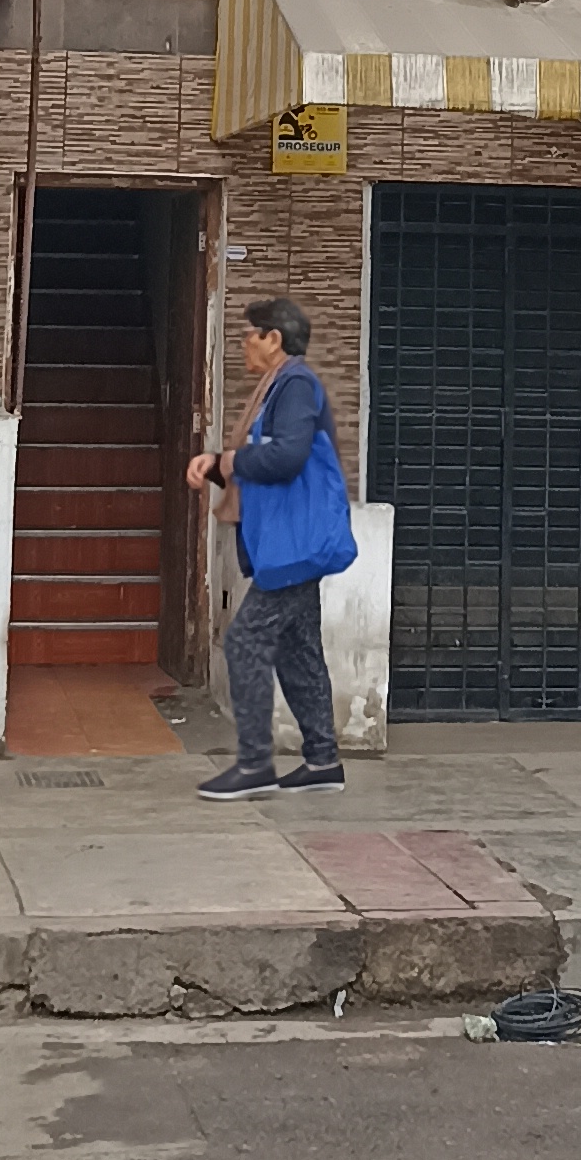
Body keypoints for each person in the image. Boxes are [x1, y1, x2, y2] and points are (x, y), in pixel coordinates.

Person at [186, 292, 358, 802]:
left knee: (245, 641)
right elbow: (265, 459)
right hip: (287, 543)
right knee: (297, 648)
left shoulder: (295, 384)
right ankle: (322, 761)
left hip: (295, 546)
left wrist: (229, 461)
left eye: (249, 336)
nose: (243, 344)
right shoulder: (278, 387)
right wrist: (220, 465)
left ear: (273, 339)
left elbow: (286, 457)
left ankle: (256, 763)